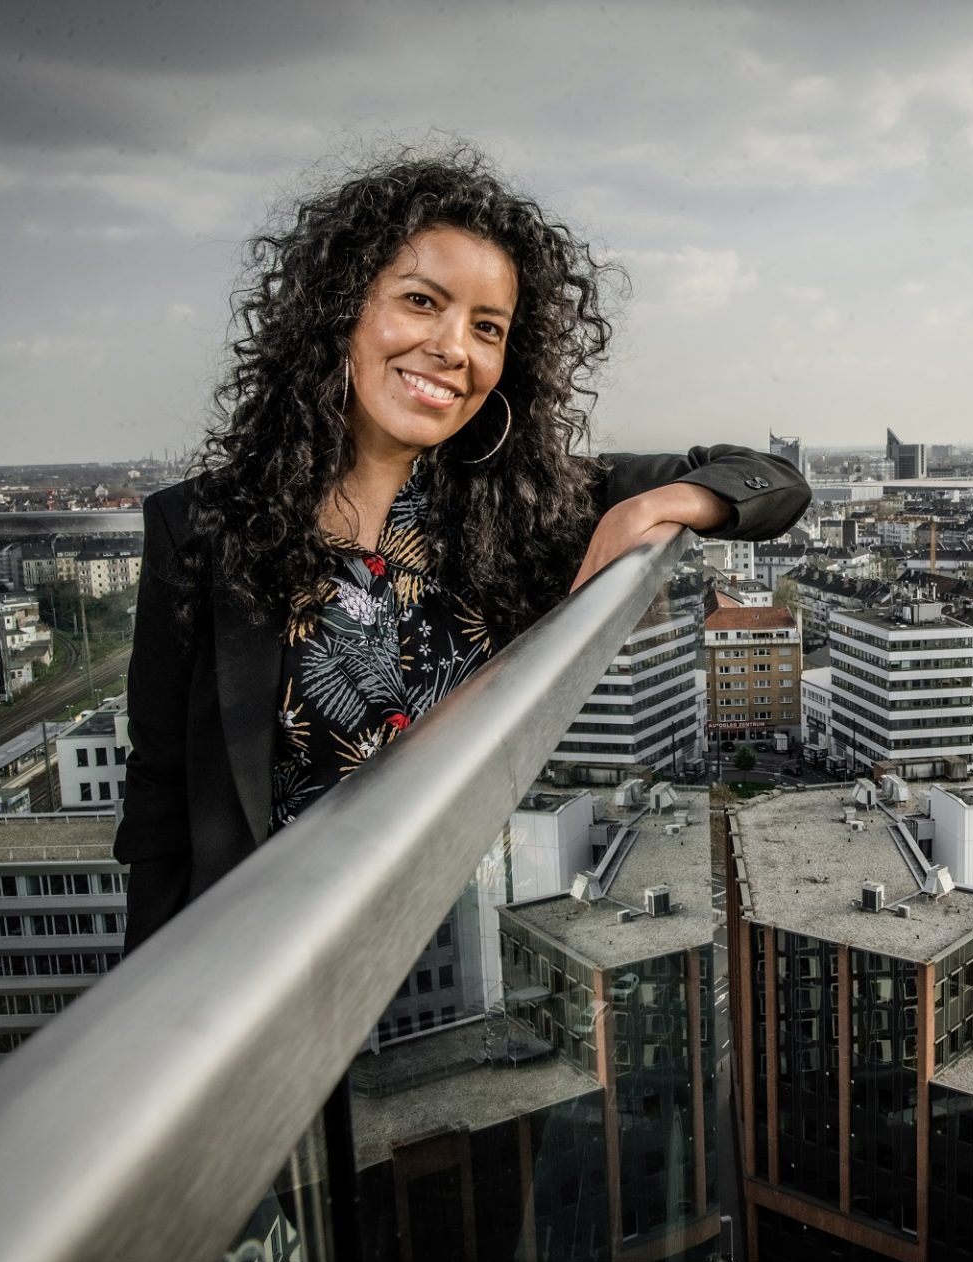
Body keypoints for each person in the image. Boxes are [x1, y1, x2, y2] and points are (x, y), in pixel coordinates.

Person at [114, 148, 808, 951]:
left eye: (487, 328)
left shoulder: (518, 508)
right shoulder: (200, 524)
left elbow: (775, 483)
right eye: (420, 301)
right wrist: (154, 987)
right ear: (338, 310)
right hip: (259, 955)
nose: (453, 348)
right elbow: (162, 792)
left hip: (456, 941)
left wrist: (659, 505)